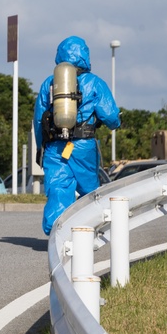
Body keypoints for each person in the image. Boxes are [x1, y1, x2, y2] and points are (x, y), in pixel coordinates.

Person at [33, 36, 120, 235]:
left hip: (55, 147)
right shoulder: (94, 83)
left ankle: (57, 234)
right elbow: (111, 116)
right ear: (85, 55)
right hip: (83, 145)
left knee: (58, 190)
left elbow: (39, 119)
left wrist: (41, 148)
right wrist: (115, 122)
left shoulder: (50, 83)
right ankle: (88, 232)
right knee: (90, 192)